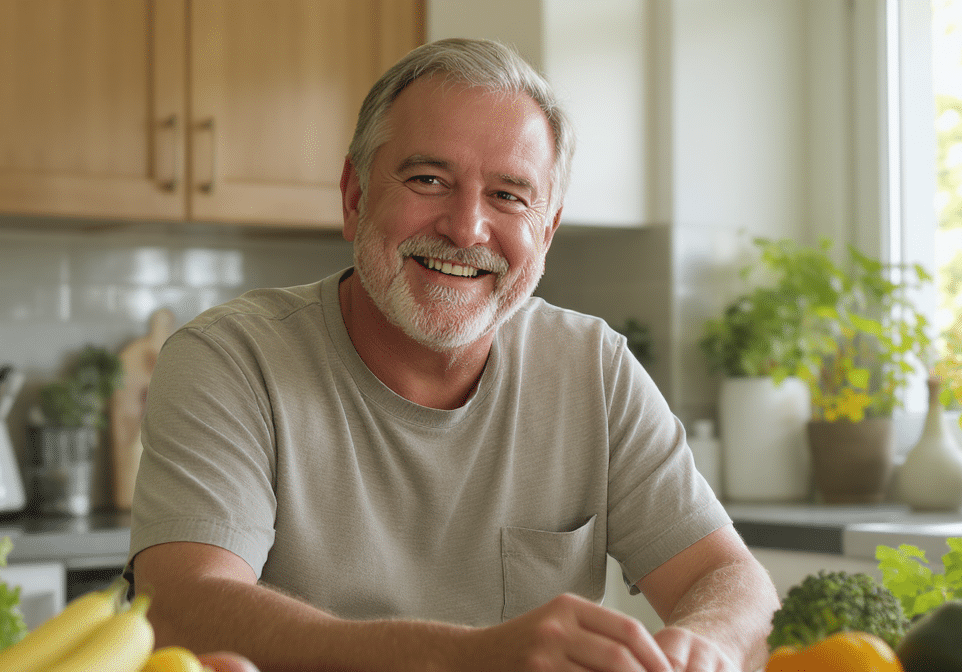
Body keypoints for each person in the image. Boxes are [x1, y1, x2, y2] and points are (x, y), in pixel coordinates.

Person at [129, 37, 779, 671]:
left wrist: (708, 647)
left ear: (545, 231)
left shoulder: (593, 369)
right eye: (429, 179)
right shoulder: (230, 360)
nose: (466, 228)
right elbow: (183, 608)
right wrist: (466, 657)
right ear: (355, 198)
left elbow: (727, 577)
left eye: (508, 195)